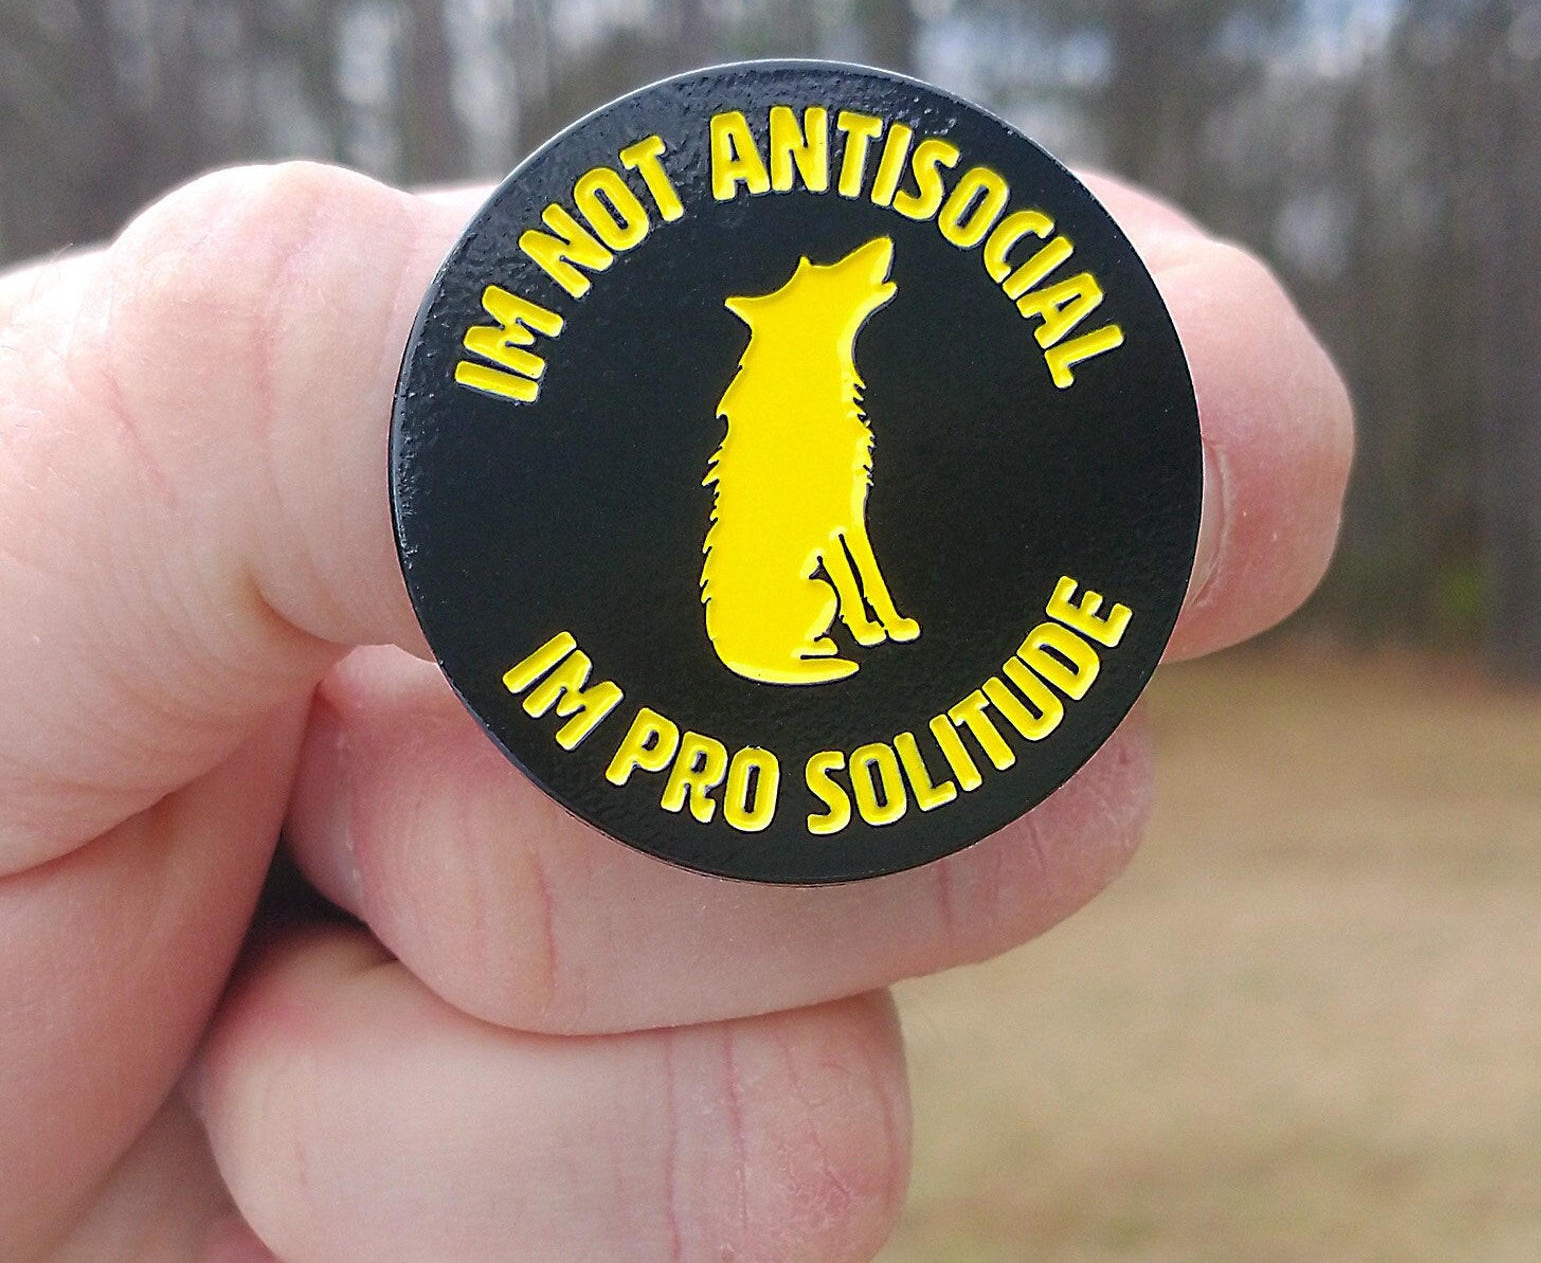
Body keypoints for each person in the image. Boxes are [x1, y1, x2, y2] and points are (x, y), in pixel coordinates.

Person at [0, 160, 1352, 1262]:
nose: (857, 283)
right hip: (756, 636)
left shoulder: (820, 392)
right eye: (828, 292)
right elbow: (814, 522)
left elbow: (842, 526)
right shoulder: (788, 402)